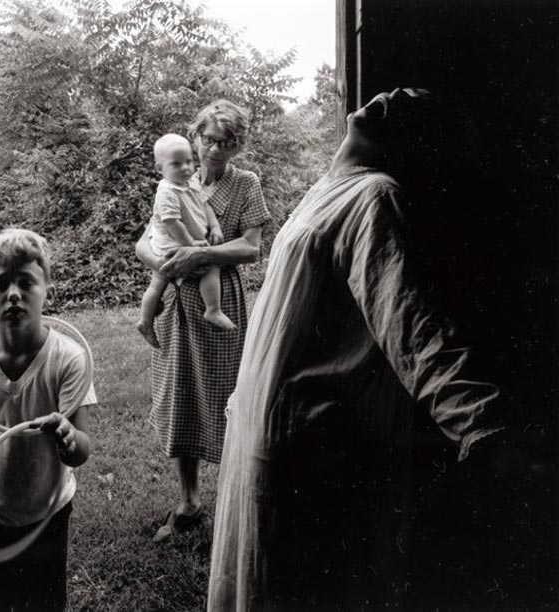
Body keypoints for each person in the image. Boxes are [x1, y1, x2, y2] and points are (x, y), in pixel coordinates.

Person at [207, 88, 557, 611]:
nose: (396, 93)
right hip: (271, 430)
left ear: (415, 144)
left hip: (307, 445)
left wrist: (487, 430)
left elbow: (413, 327)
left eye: (416, 103)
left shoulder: (374, 196)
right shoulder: (328, 189)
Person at [135, 100, 271, 542]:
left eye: (226, 142)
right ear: (196, 136)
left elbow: (252, 248)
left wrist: (203, 253)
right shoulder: (176, 177)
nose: (214, 149)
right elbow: (144, 242)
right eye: (208, 139)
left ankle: (239, 499)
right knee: (181, 396)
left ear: (238, 145)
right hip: (177, 299)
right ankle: (189, 500)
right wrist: (166, 263)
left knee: (229, 396)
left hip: (219, 303)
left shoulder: (245, 183)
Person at [0, 228, 96, 612]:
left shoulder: (69, 359)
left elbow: (83, 450)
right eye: (0, 285)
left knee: (40, 605)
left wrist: (67, 437)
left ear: (47, 290)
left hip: (45, 512)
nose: (13, 294)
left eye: (26, 282)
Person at [137, 133, 235, 348]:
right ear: (159, 168)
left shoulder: (190, 182)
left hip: (183, 242)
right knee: (209, 266)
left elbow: (204, 205)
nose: (185, 167)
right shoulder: (166, 192)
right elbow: (172, 223)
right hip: (171, 246)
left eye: (189, 161)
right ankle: (212, 309)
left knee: (159, 282)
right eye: (176, 164)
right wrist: (191, 245)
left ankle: (145, 322)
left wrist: (215, 226)